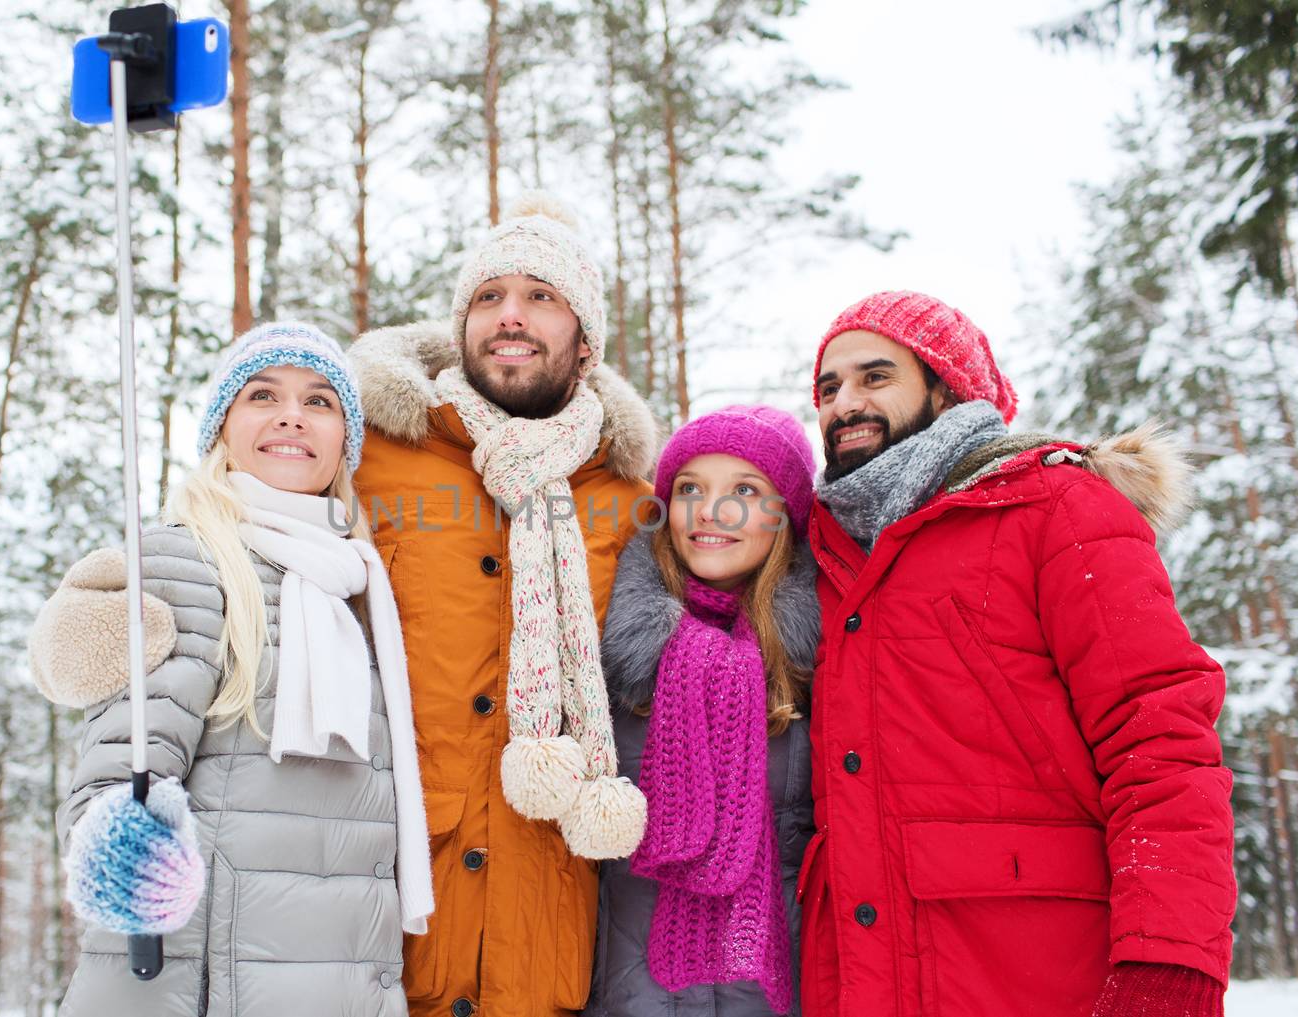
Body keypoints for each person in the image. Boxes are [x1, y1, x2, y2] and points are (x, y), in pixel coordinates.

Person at [797, 291, 1235, 1017]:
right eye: (828, 387)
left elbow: (1159, 736)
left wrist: (1170, 955)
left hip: (1043, 976)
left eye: (876, 377)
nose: (845, 403)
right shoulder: (823, 554)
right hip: (865, 979)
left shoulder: (1056, 507)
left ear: (945, 385)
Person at [28, 322, 432, 1017]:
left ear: (345, 440)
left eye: (319, 400)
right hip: (205, 988)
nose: (290, 416)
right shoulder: (186, 562)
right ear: (221, 428)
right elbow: (120, 776)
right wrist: (129, 844)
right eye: (261, 394)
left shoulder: (357, 590)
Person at [346, 192, 659, 1017]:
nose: (509, 315)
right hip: (388, 931)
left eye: (540, 296)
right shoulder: (370, 454)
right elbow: (242, 539)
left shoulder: (630, 494)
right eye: (489, 296)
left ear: (584, 341)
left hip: (546, 930)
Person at [585, 406, 820, 1017]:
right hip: (631, 991)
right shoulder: (614, 654)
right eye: (691, 489)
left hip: (778, 989)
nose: (712, 512)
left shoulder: (822, 662)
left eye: (745, 490)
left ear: (785, 515)